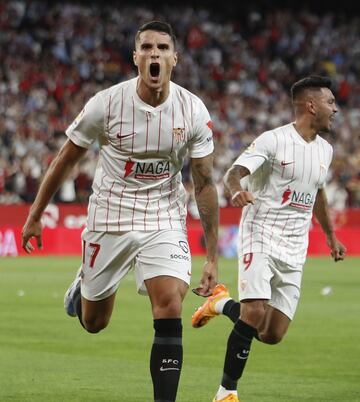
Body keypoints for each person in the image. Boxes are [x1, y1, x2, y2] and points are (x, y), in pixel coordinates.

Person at [21, 21, 219, 402]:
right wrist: (35, 214)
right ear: (135, 58)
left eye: (162, 47)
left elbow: (205, 182)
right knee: (96, 323)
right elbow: (66, 159)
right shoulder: (106, 103)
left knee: (170, 302)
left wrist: (212, 256)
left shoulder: (192, 110)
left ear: (175, 58)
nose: (154, 54)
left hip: (163, 213)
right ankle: (83, 286)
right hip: (110, 213)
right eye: (146, 47)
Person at [191, 75, 346, 402]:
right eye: (330, 103)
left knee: (272, 333)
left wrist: (331, 237)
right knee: (256, 310)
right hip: (260, 233)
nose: (335, 109)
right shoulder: (272, 141)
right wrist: (236, 192)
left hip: (295, 246)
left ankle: (220, 303)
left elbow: (317, 193)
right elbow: (233, 173)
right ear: (311, 105)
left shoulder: (326, 151)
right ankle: (226, 392)